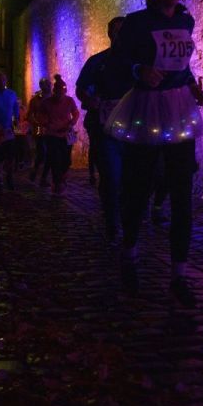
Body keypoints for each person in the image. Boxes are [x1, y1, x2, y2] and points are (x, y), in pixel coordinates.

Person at [106, 0, 203, 307]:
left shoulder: (185, 20)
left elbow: (182, 64)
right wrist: (139, 70)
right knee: (139, 187)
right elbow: (117, 61)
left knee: (182, 192)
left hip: (179, 108)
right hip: (147, 108)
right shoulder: (137, 22)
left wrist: (192, 86)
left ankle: (179, 274)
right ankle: (130, 254)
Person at [76, 16, 130, 242]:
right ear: (110, 34)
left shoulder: (137, 62)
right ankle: (112, 222)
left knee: (132, 177)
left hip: (134, 128)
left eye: (124, 31)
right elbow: (81, 89)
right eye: (116, 31)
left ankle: (128, 217)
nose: (120, 35)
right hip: (104, 127)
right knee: (111, 175)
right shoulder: (97, 62)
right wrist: (91, 101)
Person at [43, 74, 80, 196]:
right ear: (54, 91)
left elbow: (75, 113)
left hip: (66, 134)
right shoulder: (47, 102)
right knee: (55, 159)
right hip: (52, 135)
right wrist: (46, 124)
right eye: (58, 91)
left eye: (62, 91)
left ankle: (61, 179)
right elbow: (41, 116)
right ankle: (57, 183)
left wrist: (72, 122)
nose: (60, 94)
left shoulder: (69, 101)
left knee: (66, 160)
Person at [27, 78, 52, 186]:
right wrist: (35, 122)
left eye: (49, 84)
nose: (48, 86)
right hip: (39, 129)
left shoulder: (53, 98)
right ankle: (36, 171)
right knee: (42, 153)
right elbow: (29, 115)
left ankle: (43, 177)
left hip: (52, 129)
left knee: (50, 154)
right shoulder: (36, 100)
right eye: (45, 84)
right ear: (41, 86)